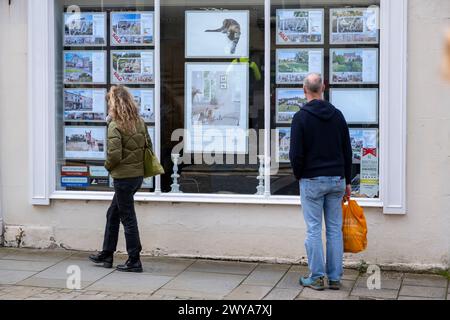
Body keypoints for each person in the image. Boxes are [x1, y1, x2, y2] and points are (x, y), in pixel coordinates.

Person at [289, 73, 352, 291]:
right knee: (334, 229)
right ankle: (334, 277)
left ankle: (317, 277)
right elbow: (347, 150)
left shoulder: (301, 118)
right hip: (336, 179)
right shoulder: (338, 116)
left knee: (314, 229)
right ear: (323, 87)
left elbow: (296, 154)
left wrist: (299, 174)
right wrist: (347, 180)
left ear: (303, 89)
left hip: (312, 179)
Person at [89, 85, 153, 273]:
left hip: (123, 178)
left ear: (114, 103)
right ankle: (107, 254)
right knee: (113, 213)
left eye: (109, 101)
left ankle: (134, 260)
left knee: (128, 218)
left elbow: (114, 155)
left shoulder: (115, 124)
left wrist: (108, 167)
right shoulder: (139, 122)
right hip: (136, 176)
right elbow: (148, 145)